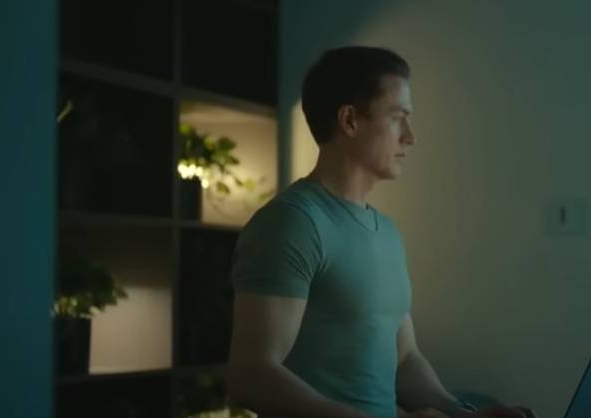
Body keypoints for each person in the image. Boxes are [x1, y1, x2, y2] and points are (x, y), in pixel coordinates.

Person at [227, 46, 536, 418]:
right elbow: (252, 375)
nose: (410, 136)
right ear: (349, 120)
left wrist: (462, 414)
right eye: (397, 118)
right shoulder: (292, 223)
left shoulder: (386, 232)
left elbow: (405, 358)